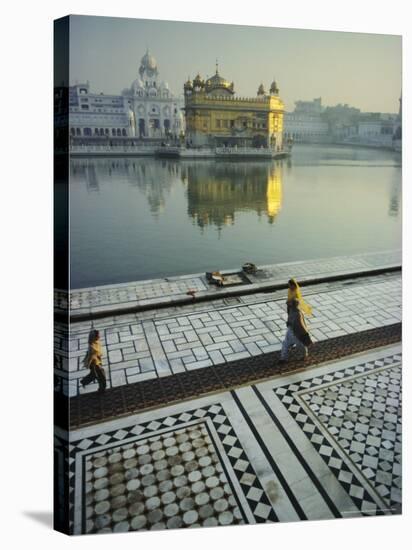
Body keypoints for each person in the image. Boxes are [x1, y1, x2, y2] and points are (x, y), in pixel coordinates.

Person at [279, 298, 312, 364]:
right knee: (299, 345)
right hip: (294, 331)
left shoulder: (293, 311)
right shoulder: (296, 312)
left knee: (287, 344)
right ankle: (304, 356)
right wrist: (306, 335)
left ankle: (283, 358)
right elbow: (302, 325)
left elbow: (300, 324)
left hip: (292, 331)